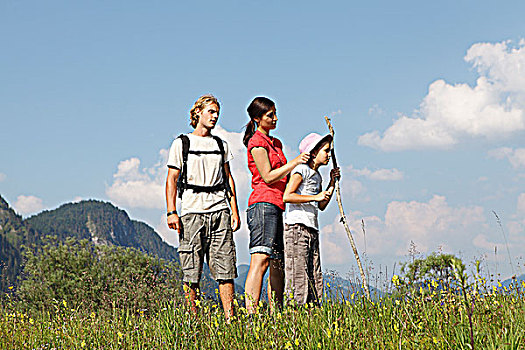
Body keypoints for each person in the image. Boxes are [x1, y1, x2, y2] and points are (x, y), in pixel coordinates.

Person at [165, 94, 240, 319]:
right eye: (211, 112)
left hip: (220, 211)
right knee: (191, 270)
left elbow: (228, 179)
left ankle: (230, 319)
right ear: (198, 112)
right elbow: (172, 179)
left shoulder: (221, 144)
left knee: (226, 268)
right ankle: (193, 320)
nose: (215, 116)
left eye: (217, 113)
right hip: (191, 211)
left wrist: (234, 210)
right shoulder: (182, 143)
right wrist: (171, 212)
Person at [242, 96, 310, 313]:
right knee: (260, 259)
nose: (275, 118)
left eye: (275, 113)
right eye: (270, 115)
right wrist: (295, 162)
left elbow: (286, 176)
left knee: (277, 264)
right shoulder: (256, 142)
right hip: (262, 204)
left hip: (278, 206)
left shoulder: (276, 143)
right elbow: (269, 176)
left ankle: (276, 314)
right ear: (256, 119)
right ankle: (251, 316)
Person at [282, 132, 340, 305]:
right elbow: (288, 196)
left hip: (311, 227)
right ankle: (295, 313)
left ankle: (311, 312)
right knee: (298, 274)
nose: (329, 155)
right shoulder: (301, 170)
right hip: (297, 227)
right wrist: (314, 197)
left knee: (314, 273)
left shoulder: (317, 176)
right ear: (314, 152)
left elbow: (321, 205)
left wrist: (331, 183)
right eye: (326, 151)